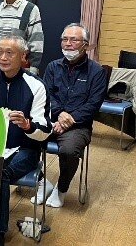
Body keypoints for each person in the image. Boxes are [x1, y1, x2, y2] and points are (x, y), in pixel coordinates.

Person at [0, 35, 51, 246]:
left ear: (23, 56)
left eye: (10, 53)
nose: (3, 57)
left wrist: (27, 125)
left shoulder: (36, 86)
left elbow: (45, 130)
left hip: (25, 148)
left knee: (0, 172)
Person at [32, 23, 107, 208]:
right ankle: (42, 182)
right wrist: (59, 115)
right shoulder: (53, 67)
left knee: (69, 150)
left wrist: (69, 120)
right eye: (64, 39)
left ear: (86, 45)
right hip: (51, 119)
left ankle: (61, 189)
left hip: (78, 125)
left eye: (74, 40)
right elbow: (46, 95)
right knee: (23, 136)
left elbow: (93, 105)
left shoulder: (97, 72)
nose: (68, 43)